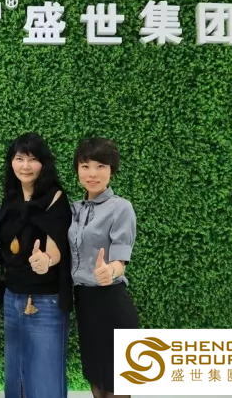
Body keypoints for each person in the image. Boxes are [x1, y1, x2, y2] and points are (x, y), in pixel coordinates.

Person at [0, 132, 73, 398]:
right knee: (16, 377)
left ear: (44, 163)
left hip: (45, 300)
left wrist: (46, 260)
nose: (25, 166)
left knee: (44, 380)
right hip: (13, 296)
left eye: (32, 159)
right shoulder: (11, 198)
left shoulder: (55, 197)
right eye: (19, 159)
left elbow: (56, 243)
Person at [68, 137, 139, 398]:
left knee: (118, 385)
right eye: (85, 166)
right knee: (96, 381)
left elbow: (120, 260)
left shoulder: (120, 208)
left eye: (101, 166)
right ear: (77, 169)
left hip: (111, 302)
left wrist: (110, 271)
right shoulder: (74, 209)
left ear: (112, 170)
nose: (92, 174)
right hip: (85, 304)